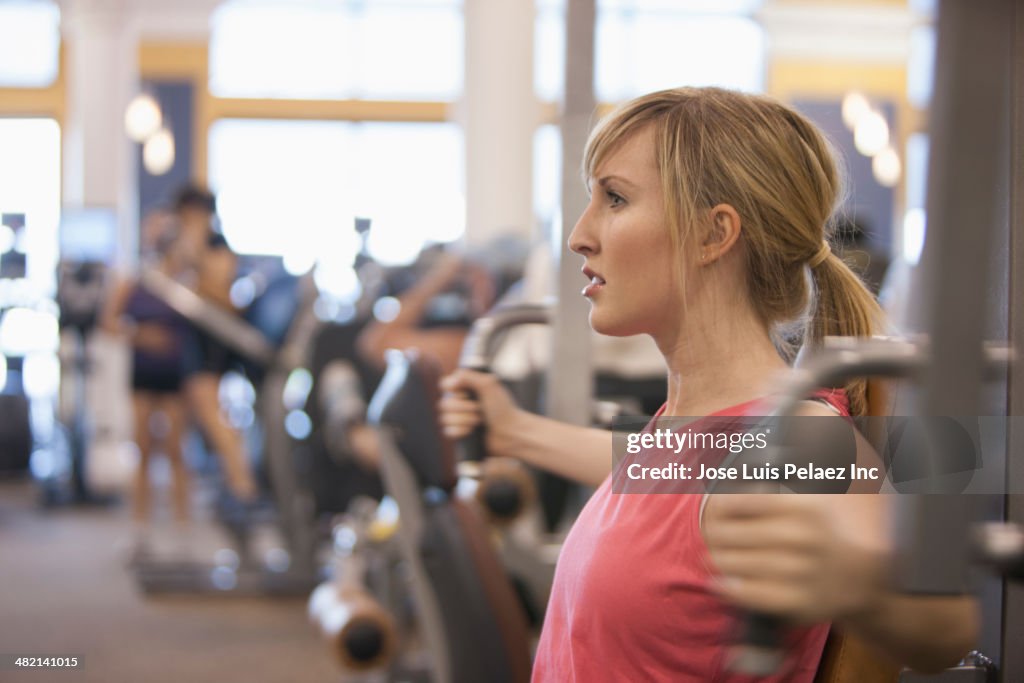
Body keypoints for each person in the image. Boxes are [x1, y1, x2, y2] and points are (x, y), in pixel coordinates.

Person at [439, 87, 977, 681]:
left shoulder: (792, 443)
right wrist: (514, 433)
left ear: (712, 234)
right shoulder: (698, 427)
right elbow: (668, 482)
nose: (579, 235)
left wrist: (861, 587)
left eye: (614, 198)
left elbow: (946, 630)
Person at [101, 208, 192, 550]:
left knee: (176, 450)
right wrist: (140, 335)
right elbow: (108, 322)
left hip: (174, 374)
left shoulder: (181, 278)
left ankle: (182, 525)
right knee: (142, 449)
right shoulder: (133, 279)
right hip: (143, 372)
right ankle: (140, 525)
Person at [172, 183, 258, 502]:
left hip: (212, 337)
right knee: (189, 420)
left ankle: (242, 484)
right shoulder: (179, 244)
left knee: (210, 409)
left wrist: (195, 260)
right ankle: (229, 484)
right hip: (187, 337)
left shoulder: (216, 244)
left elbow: (223, 294)